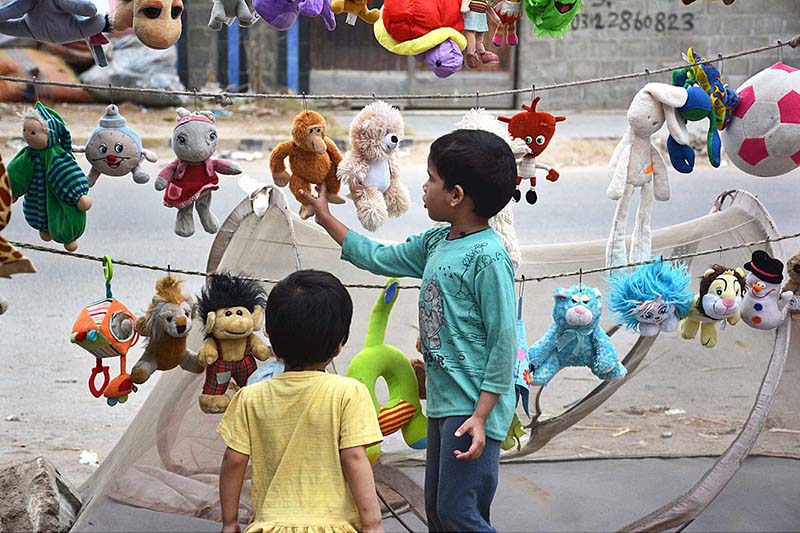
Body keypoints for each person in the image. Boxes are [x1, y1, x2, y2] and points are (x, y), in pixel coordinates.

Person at [301, 129, 518, 531]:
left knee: (458, 513)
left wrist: (484, 415)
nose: (423, 187)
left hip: (471, 408)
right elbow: (378, 256)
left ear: (455, 195)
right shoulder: (438, 242)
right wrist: (326, 216)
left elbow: (505, 341)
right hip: (442, 401)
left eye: (431, 179)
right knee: (438, 510)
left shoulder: (489, 259)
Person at [217, 269, 385, 533]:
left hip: (269, 526)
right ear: (338, 345)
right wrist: (373, 524)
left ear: (271, 336)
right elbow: (354, 458)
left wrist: (230, 522)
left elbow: (233, 461)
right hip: (332, 527)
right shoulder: (349, 393)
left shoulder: (250, 397)